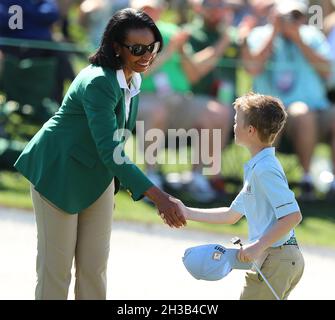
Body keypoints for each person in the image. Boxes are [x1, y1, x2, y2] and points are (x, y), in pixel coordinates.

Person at [13, 8, 186, 300]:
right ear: (116, 47)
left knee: (94, 270)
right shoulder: (99, 81)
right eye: (138, 49)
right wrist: (160, 197)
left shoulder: (133, 79)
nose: (147, 55)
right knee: (56, 272)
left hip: (98, 176)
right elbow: (111, 149)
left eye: (153, 47)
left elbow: (111, 147)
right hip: (59, 173)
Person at [172, 92, 305, 300]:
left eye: (236, 122)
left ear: (250, 130)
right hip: (277, 259)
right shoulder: (257, 167)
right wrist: (187, 212)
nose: (233, 126)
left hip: (277, 259)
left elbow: (293, 216)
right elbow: (231, 215)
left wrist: (259, 245)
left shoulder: (265, 170)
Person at [132, 0, 233, 202]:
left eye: (154, 8)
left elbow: (192, 74)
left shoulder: (171, 32)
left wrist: (182, 51)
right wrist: (169, 51)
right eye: (145, 9)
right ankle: (150, 178)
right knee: (157, 110)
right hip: (145, 98)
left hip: (180, 99)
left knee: (218, 112)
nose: (150, 13)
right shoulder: (128, 35)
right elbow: (137, 72)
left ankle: (198, 177)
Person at [242, 0, 335, 200]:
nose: (292, 21)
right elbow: (252, 68)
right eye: (286, 16)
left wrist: (300, 41)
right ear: (274, 15)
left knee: (313, 114)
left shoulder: (312, 36)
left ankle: (323, 183)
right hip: (271, 109)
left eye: (297, 16)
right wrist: (274, 34)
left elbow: (328, 73)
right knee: (301, 113)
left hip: (317, 109)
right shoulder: (260, 35)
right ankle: (300, 179)